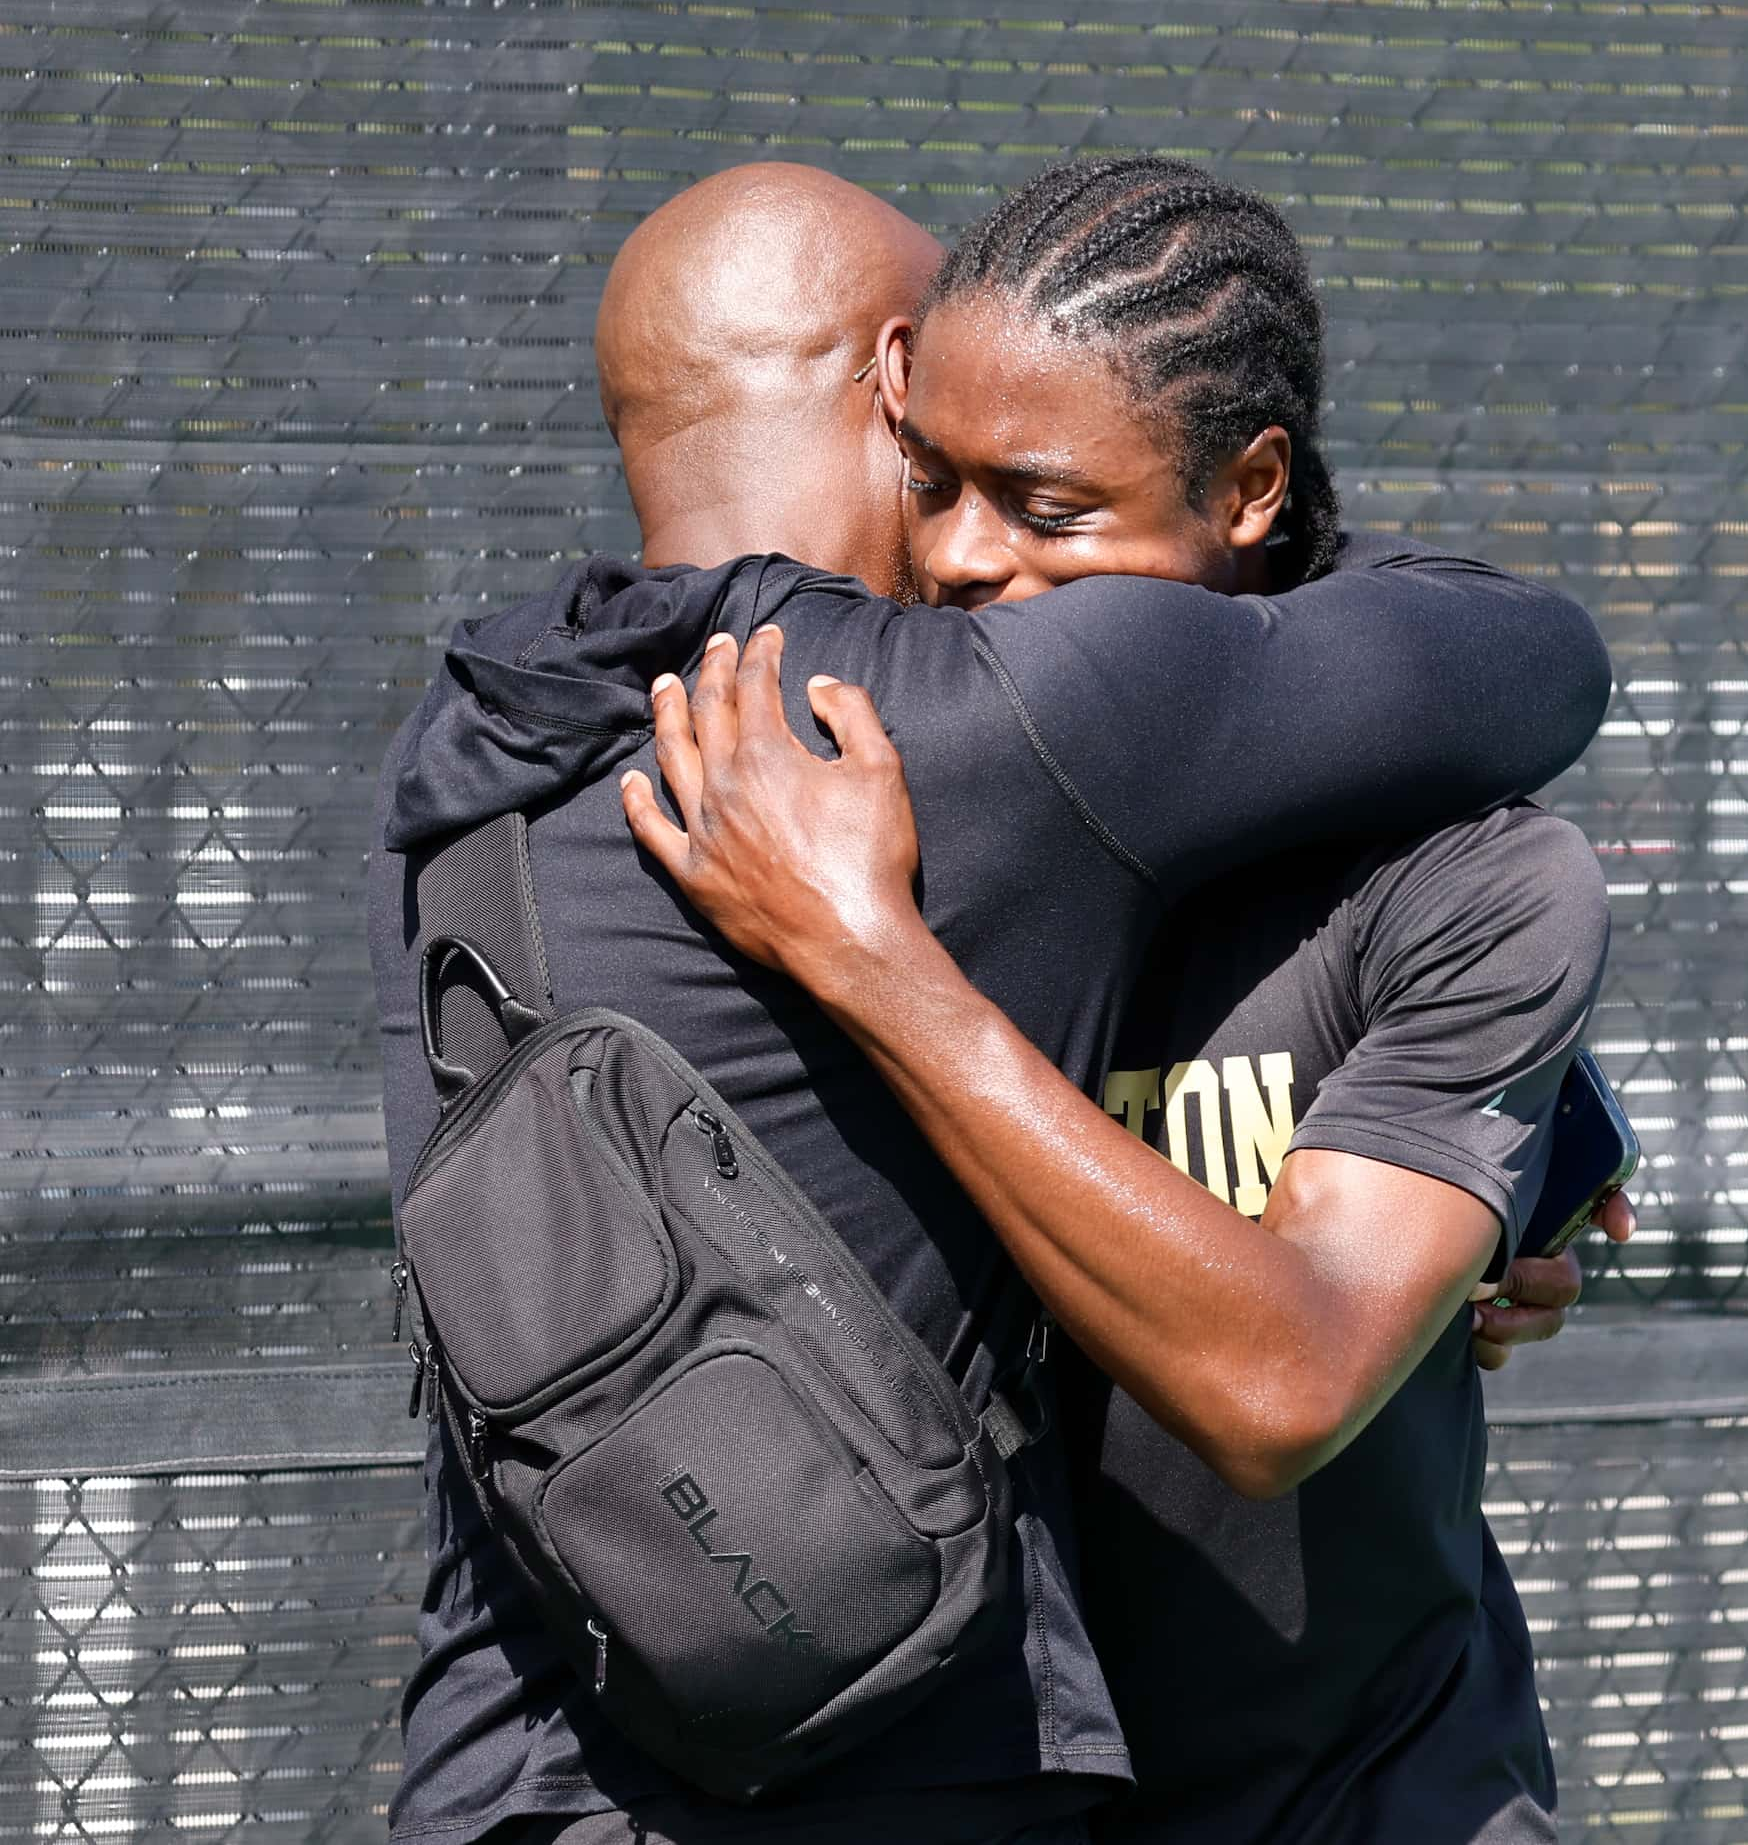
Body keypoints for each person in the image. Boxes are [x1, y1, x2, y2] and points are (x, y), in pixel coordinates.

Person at [369, 162, 1611, 1843]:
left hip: (513, 1761)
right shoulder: (1013, 724)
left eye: (1033, 499)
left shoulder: (469, 767)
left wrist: (1532, 1133)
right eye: (939, 466)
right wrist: (871, 960)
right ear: (896, 374)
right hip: (892, 1765)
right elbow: (1525, 654)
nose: (962, 557)